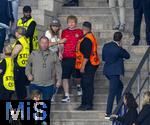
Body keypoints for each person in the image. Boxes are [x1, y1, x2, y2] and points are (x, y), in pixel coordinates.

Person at [102, 32, 130, 118]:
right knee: (112, 92)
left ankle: (118, 107)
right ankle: (108, 113)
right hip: (114, 73)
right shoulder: (118, 49)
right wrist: (121, 47)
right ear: (121, 39)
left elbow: (103, 58)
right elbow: (127, 56)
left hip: (107, 71)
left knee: (120, 86)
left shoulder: (106, 45)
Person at [25, 36, 62, 100]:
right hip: (35, 84)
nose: (44, 45)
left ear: (48, 44)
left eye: (46, 43)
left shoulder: (53, 54)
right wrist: (28, 74)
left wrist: (59, 80)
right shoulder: (34, 53)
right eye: (42, 43)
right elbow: (28, 65)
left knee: (45, 105)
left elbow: (58, 68)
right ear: (39, 43)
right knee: (35, 105)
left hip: (48, 85)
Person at [75, 22, 100, 110]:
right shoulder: (89, 37)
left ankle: (87, 104)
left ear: (84, 28)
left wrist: (83, 66)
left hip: (89, 65)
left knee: (87, 85)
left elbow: (86, 55)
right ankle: (85, 104)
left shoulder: (87, 39)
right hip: (91, 64)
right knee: (85, 85)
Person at [60, 15, 83, 102]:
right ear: (67, 23)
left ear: (76, 23)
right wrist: (60, 52)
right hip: (66, 57)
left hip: (76, 58)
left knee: (77, 76)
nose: (71, 24)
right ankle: (67, 96)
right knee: (65, 77)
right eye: (69, 22)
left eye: (73, 22)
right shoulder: (64, 32)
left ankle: (78, 86)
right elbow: (61, 43)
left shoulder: (79, 32)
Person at [11, 27, 30, 100]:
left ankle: (21, 103)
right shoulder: (25, 40)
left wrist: (9, 60)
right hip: (24, 66)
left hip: (19, 66)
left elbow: (15, 53)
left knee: (19, 86)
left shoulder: (20, 41)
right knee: (22, 86)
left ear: (17, 33)